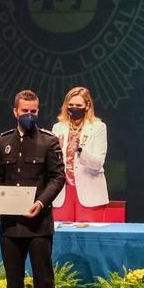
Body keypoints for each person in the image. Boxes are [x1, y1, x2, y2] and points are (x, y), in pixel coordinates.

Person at [0, 90, 66, 288]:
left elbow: (58, 178)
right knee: (13, 278)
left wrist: (42, 202)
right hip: (11, 223)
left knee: (43, 277)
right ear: (15, 112)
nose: (30, 116)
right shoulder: (3, 141)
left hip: (38, 222)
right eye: (25, 111)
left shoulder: (49, 141)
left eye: (34, 111)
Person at [50, 87, 108, 222]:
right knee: (61, 237)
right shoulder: (57, 128)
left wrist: (80, 150)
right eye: (70, 105)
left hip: (89, 192)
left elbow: (98, 163)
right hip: (62, 193)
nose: (74, 108)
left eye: (78, 105)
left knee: (89, 237)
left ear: (87, 106)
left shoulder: (99, 127)